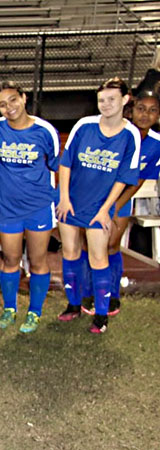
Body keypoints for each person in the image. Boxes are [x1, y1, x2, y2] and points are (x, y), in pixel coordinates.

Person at [56, 77, 140, 334]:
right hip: (71, 202)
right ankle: (73, 305)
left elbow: (124, 177)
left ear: (125, 100)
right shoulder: (85, 125)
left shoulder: (130, 134)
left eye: (112, 99)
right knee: (69, 253)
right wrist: (64, 197)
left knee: (98, 257)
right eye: (101, 99)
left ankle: (101, 315)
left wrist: (106, 209)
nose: (105, 104)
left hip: (99, 207)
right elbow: (66, 162)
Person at [0, 82, 60, 333]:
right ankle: (10, 309)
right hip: (7, 208)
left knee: (38, 261)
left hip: (38, 206)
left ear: (24, 98)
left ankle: (35, 312)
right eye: (2, 104)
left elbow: (57, 166)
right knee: (10, 259)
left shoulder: (44, 131)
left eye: (13, 100)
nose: (9, 108)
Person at [95, 89, 160, 316]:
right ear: (131, 111)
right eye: (141, 109)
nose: (145, 115)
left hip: (121, 199)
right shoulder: (118, 132)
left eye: (152, 111)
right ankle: (89, 292)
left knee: (112, 244)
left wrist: (114, 206)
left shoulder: (156, 144)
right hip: (95, 195)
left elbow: (138, 180)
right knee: (90, 246)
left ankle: (112, 295)